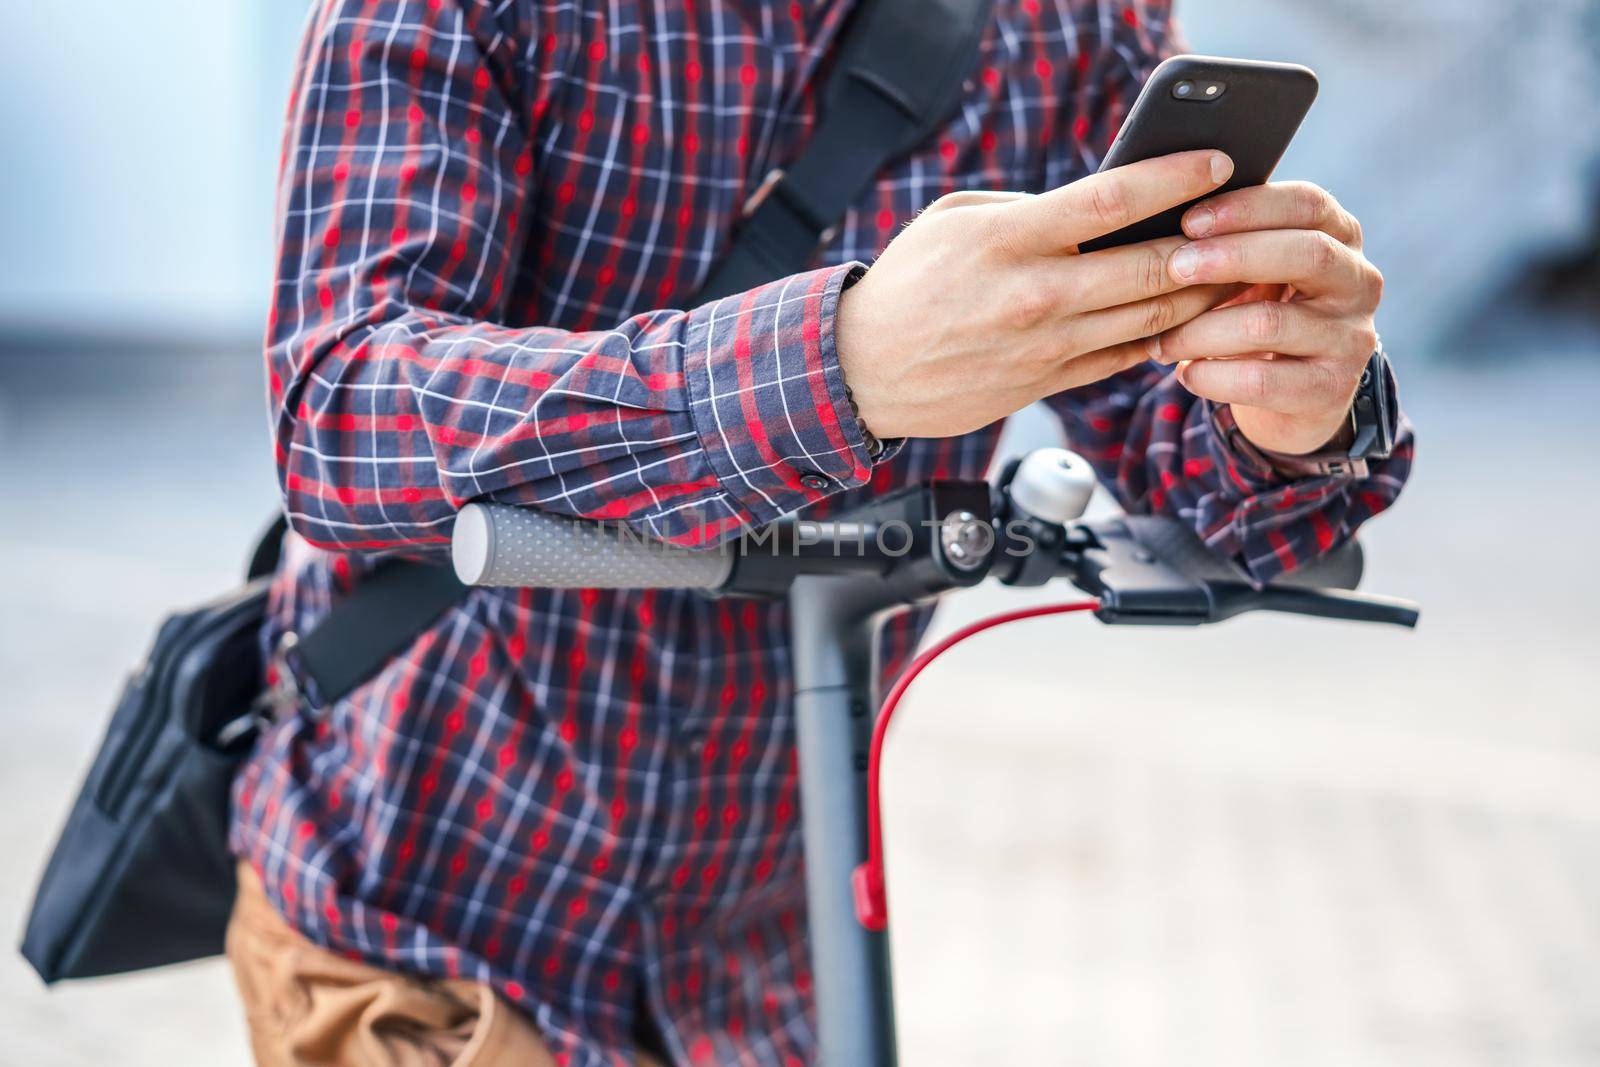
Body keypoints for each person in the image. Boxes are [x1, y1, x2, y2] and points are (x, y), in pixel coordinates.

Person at [227, 1, 1415, 1063]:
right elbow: (342, 416)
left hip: (765, 974)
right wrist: (834, 368)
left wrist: (1287, 408)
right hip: (413, 933)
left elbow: (1201, 476)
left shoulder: (1064, 27)